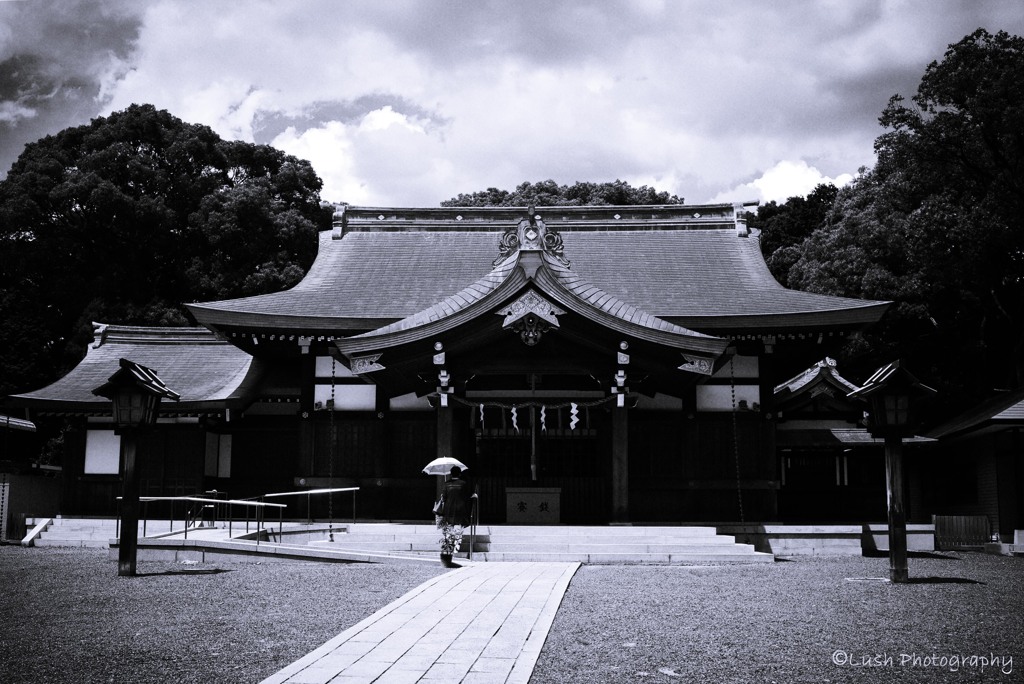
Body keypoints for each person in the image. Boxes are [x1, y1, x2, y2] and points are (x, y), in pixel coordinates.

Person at [435, 466, 476, 567]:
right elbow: (468, 495)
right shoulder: (463, 484)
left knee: (449, 529)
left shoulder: (447, 484)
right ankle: (456, 547)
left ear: (451, 473)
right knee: (458, 528)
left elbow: (443, 498)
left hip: (448, 510)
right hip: (460, 509)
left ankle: (449, 550)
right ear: (460, 473)